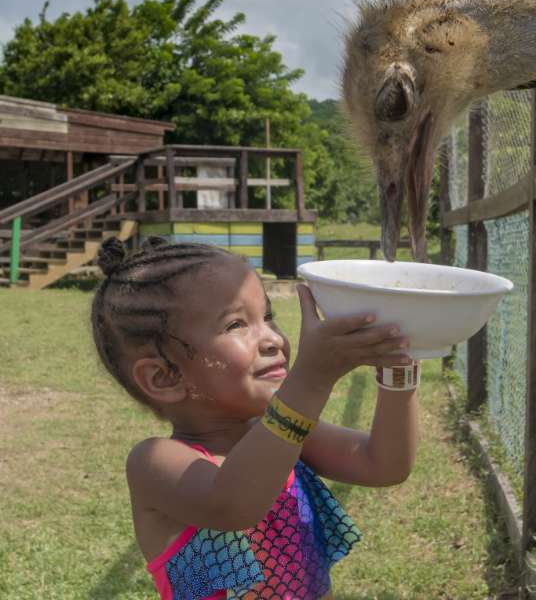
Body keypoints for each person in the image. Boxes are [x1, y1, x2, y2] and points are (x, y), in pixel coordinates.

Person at [90, 236, 418, 599]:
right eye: (235, 325)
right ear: (166, 377)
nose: (273, 339)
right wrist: (310, 379)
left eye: (267, 317)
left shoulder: (289, 436)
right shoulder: (154, 463)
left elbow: (383, 464)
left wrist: (400, 367)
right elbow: (234, 505)